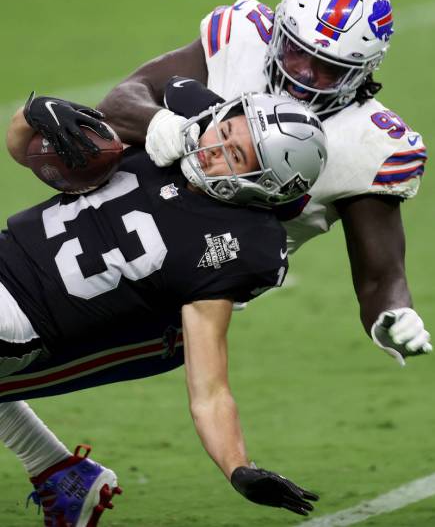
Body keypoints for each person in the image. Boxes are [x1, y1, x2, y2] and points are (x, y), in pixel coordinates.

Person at [1, 82, 326, 526]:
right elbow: (22, 147)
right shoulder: (166, 134)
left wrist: (238, 467)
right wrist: (35, 112)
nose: (215, 147)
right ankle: (59, 473)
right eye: (226, 129)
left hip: (20, 318)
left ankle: (58, 473)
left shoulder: (237, 245)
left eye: (235, 155)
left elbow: (210, 390)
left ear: (260, 184)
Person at [87, 0, 429, 365]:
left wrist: (393, 314)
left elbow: (380, 277)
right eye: (295, 51)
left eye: (327, 69)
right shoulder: (243, 38)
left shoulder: (371, 144)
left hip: (185, 294)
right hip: (105, 225)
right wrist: (160, 124)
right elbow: (119, 102)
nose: (301, 74)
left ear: (362, 72)